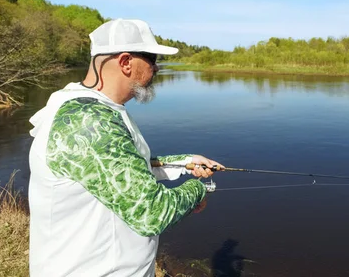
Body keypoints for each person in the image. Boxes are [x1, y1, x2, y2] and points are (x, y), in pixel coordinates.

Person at [28, 19, 223, 276]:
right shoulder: (89, 120)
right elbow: (152, 213)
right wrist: (199, 189)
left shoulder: (89, 107)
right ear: (125, 62)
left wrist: (185, 162)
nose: (156, 68)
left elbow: (121, 166)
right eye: (152, 59)